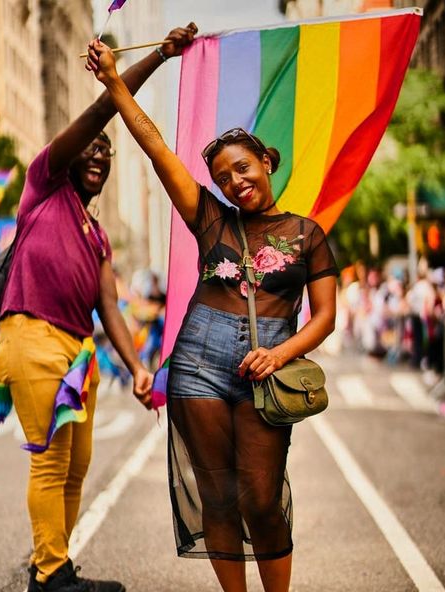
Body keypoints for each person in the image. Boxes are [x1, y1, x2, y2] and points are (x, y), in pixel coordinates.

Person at [87, 38, 338, 592]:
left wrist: (279, 353)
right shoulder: (210, 219)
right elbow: (155, 147)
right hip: (198, 360)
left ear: (267, 161)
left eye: (243, 168)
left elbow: (324, 318)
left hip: (266, 365)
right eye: (223, 177)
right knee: (218, 494)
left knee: (261, 496)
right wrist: (114, 82)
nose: (235, 182)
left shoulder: (307, 235)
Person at [0, 24, 197, 592]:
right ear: (71, 151)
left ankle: (54, 564)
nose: (100, 153)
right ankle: (51, 577)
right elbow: (105, 107)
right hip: (32, 337)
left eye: (106, 151)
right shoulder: (43, 184)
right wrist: (158, 54)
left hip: (77, 350)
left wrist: (136, 367)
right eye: (93, 145)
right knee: (51, 462)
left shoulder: (96, 233)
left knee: (77, 466)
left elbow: (109, 305)